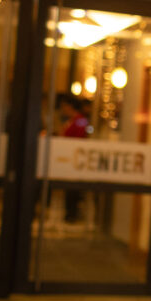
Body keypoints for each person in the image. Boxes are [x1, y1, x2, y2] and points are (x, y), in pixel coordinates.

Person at [56, 94, 90, 222]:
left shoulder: (80, 120)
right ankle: (69, 213)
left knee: (73, 189)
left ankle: (72, 214)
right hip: (68, 158)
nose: (62, 109)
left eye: (64, 106)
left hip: (75, 159)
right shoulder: (69, 121)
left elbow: (79, 139)